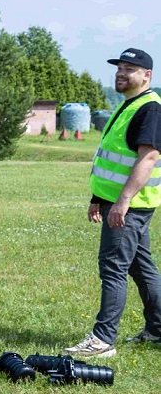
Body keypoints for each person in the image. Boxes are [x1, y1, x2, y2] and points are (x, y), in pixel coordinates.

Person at [66, 48, 161, 357]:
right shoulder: (129, 105)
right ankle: (158, 329)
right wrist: (99, 198)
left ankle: (102, 340)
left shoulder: (150, 108)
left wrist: (121, 202)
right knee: (139, 266)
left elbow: (148, 158)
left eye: (130, 69)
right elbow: (113, 158)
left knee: (113, 267)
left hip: (130, 206)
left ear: (146, 76)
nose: (122, 72)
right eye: (119, 67)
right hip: (119, 202)